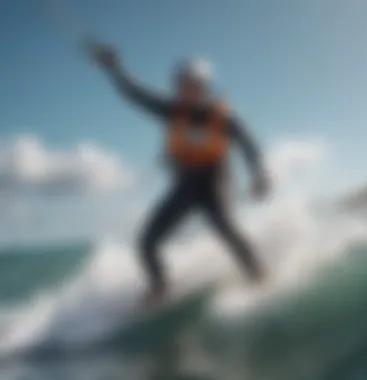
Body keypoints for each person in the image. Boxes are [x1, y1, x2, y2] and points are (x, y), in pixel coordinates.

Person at [90, 43, 271, 306]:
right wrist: (115, 68)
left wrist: (259, 175)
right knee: (146, 242)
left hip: (215, 180)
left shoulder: (223, 117)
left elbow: (249, 144)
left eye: (192, 84)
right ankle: (160, 286)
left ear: (204, 87)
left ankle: (258, 277)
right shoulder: (171, 111)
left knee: (225, 228)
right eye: (181, 84)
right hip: (186, 183)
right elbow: (135, 94)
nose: (186, 89)